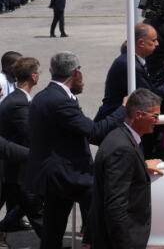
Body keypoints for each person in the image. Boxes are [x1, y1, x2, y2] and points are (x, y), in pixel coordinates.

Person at [26, 52, 126, 249]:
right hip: (67, 176)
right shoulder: (60, 100)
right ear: (75, 73)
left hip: (55, 175)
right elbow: (93, 131)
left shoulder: (45, 96)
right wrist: (123, 109)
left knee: (53, 230)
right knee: (102, 207)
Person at [90, 89, 164, 249]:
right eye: (155, 116)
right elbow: (116, 206)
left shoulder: (120, 138)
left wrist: (142, 166)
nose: (157, 121)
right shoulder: (122, 149)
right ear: (139, 115)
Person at [96, 23, 164, 121]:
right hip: (115, 122)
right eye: (153, 40)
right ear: (141, 43)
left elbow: (148, 87)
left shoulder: (133, 60)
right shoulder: (131, 65)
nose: (157, 44)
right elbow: (150, 98)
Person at [0, 56, 42, 236]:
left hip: (14, 164)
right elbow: (31, 134)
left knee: (25, 204)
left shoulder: (18, 98)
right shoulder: (19, 102)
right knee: (32, 203)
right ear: (33, 76)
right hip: (13, 164)